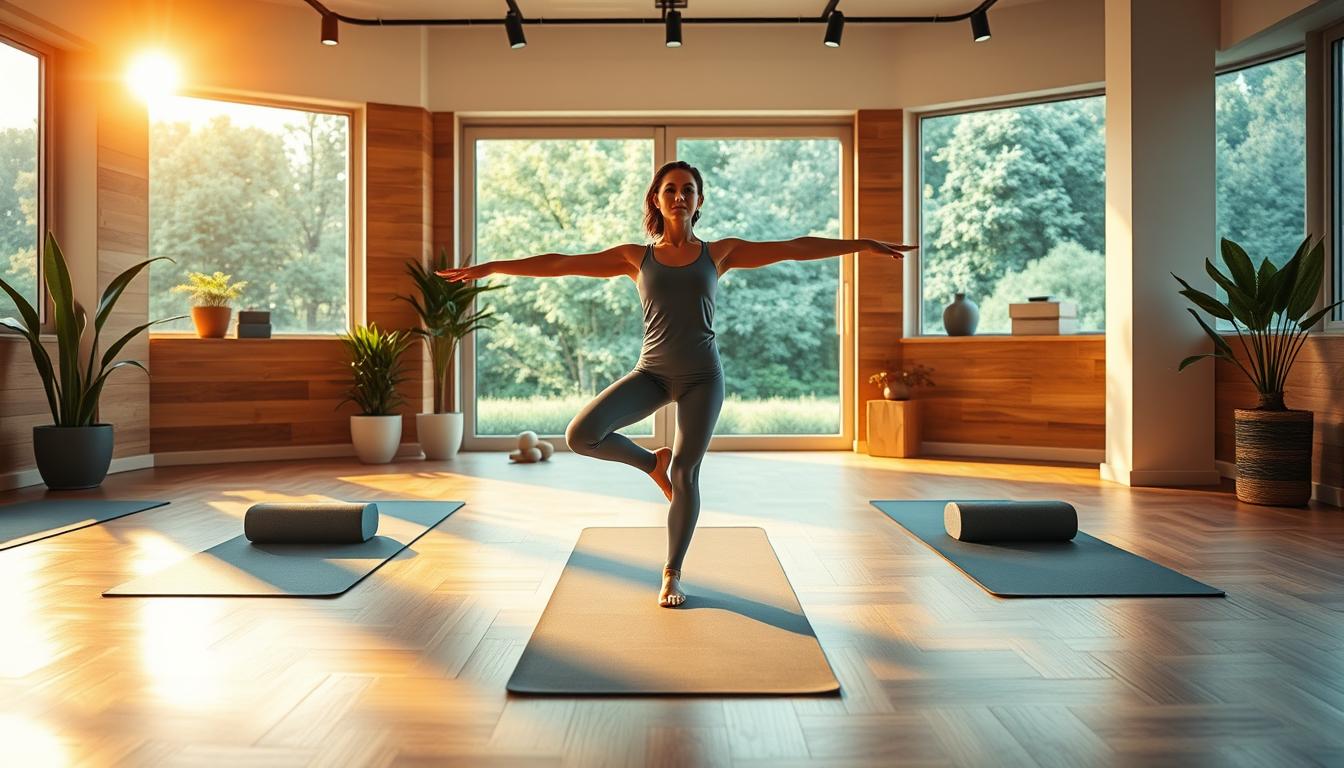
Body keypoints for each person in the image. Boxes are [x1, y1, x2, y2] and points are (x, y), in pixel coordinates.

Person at [438, 160, 915, 607]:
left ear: (699, 200)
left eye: (688, 189)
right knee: (580, 435)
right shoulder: (635, 258)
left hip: (702, 379)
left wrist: (862, 244)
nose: (680, 196)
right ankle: (650, 463)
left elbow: (794, 247)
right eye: (671, 190)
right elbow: (563, 262)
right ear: (656, 201)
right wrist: (492, 267)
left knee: (687, 474)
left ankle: (672, 572)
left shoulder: (720, 253)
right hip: (652, 374)